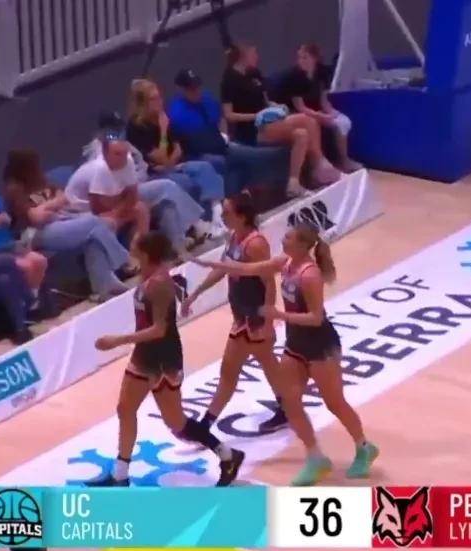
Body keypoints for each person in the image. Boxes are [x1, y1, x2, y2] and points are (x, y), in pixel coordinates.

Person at [193, 223, 378, 484]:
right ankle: (315, 457)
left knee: (335, 402)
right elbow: (248, 269)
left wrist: (279, 315)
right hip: (295, 344)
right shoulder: (285, 262)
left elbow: (316, 317)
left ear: (302, 245)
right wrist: (211, 264)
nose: (283, 240)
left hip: (320, 346)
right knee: (290, 402)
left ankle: (364, 447)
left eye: (289, 237)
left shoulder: (309, 275)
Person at [90, 231, 244, 486]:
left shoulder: (160, 283)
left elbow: (159, 329)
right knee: (125, 409)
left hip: (163, 358)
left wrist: (117, 341)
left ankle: (227, 455)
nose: (130, 248)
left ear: (146, 252)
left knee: (176, 422)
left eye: (134, 245)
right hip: (144, 354)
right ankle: (120, 475)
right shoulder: (147, 276)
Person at [182, 194, 289, 433]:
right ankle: (288, 408)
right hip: (241, 316)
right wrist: (195, 294)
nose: (222, 216)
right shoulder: (233, 238)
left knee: (232, 373)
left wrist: (268, 322)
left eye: (227, 212)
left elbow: (269, 283)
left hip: (255, 319)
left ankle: (204, 427)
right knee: (264, 365)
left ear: (241, 216)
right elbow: (222, 269)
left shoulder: (255, 244)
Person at [2, 149, 131, 301]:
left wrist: (46, 207)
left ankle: (105, 286)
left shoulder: (40, 180)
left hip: (57, 220)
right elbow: (36, 218)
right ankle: (124, 260)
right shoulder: (14, 189)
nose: (37, 167)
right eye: (32, 164)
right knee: (96, 222)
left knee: (94, 235)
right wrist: (52, 205)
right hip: (32, 234)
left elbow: (66, 197)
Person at [221, 44, 339, 194]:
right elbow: (229, 115)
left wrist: (276, 106)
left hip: (269, 120)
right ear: (243, 56)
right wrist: (256, 116)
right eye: (253, 54)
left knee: (304, 131)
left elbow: (265, 100)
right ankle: (320, 168)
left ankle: (296, 182)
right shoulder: (229, 80)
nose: (257, 57)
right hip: (253, 128)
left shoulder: (254, 73)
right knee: (304, 124)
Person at [67, 135, 205, 256]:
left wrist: (124, 206)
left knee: (164, 195)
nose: (122, 158)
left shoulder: (127, 160)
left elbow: (133, 193)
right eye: (117, 154)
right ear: (105, 154)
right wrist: (122, 210)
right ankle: (195, 224)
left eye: (124, 153)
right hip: (83, 210)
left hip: (118, 198)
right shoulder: (100, 168)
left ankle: (177, 245)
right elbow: (98, 207)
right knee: (146, 204)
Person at [126, 78, 224, 236]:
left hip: (172, 166)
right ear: (143, 103)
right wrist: (163, 131)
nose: (159, 102)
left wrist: (169, 163)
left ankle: (217, 216)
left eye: (159, 97)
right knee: (184, 181)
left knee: (204, 167)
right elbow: (160, 157)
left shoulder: (163, 116)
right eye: (153, 99)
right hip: (153, 174)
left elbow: (178, 148)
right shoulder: (136, 127)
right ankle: (198, 226)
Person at [168, 69, 287, 198]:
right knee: (225, 161)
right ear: (181, 90)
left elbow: (221, 118)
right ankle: (230, 199)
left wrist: (225, 136)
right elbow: (192, 143)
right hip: (199, 155)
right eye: (191, 89)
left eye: (198, 87)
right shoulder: (177, 112)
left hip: (221, 145)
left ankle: (241, 195)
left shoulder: (206, 98)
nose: (197, 91)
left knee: (260, 155)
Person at [279, 43, 362, 173]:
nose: (301, 61)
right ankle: (321, 164)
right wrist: (321, 116)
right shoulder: (294, 77)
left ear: (314, 58)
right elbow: (300, 107)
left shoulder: (321, 73)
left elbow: (323, 100)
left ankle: (344, 160)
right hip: (298, 112)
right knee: (317, 124)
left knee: (343, 122)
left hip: (317, 110)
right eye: (299, 57)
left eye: (305, 57)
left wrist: (331, 113)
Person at [0, 190, 47, 301]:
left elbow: (8, 220)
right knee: (26, 266)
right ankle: (27, 302)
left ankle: (33, 301)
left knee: (39, 260)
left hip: (8, 244)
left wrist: (4, 219)